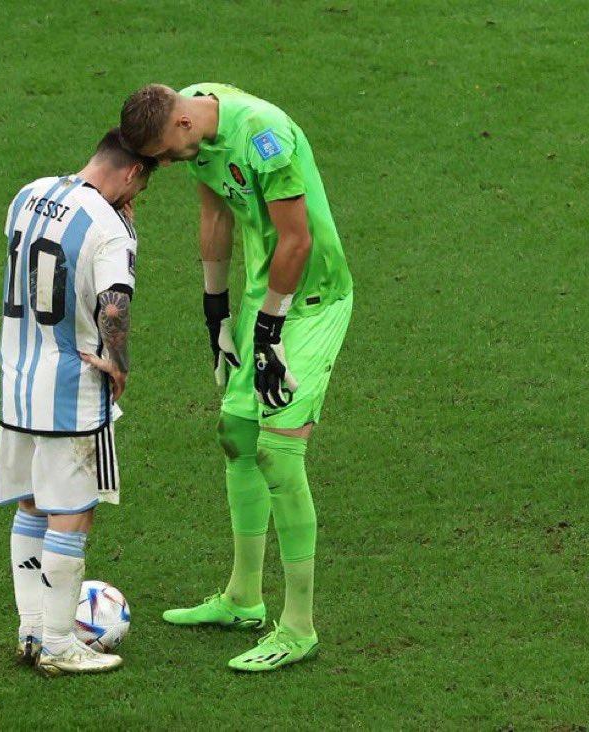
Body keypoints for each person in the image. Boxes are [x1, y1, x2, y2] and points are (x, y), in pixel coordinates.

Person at [120, 83, 353, 671]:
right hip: (262, 297)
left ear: (180, 122)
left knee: (279, 454)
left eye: (167, 154)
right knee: (236, 433)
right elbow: (214, 214)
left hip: (311, 298)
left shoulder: (265, 141)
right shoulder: (197, 132)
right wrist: (216, 311)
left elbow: (297, 240)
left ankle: (298, 627)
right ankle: (243, 598)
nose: (168, 165)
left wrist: (270, 333)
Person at [0, 128, 154, 676]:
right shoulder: (110, 228)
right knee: (73, 510)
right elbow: (113, 307)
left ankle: (32, 630)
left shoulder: (28, 192)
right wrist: (120, 363)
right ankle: (60, 643)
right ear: (133, 173)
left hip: (17, 380)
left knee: (33, 502)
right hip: (70, 387)